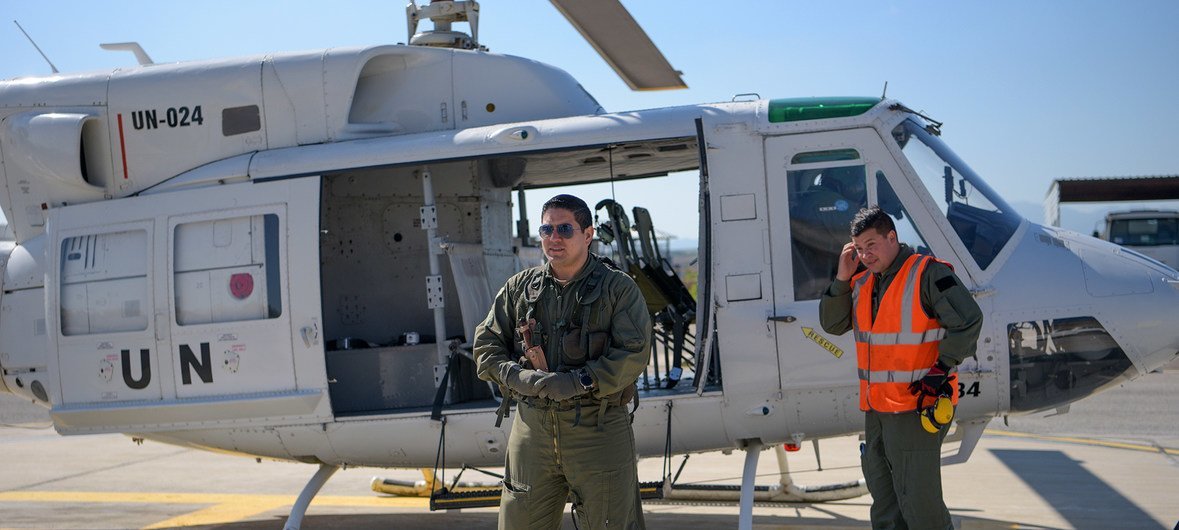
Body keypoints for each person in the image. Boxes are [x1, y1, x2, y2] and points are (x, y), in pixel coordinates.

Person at [474, 193, 652, 529]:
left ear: (588, 235)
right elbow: (486, 346)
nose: (554, 238)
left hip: (597, 431)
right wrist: (516, 378)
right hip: (531, 434)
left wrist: (578, 381)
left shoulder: (618, 289)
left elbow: (635, 352)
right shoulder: (520, 289)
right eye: (546, 230)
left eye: (565, 229)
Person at [819, 206, 982, 530]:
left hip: (916, 408)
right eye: (859, 248)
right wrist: (842, 277)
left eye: (872, 245)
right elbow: (832, 324)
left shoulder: (928, 273)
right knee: (885, 504)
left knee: (920, 505)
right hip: (877, 409)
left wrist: (940, 370)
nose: (865, 255)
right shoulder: (862, 282)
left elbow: (968, 321)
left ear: (892, 237)